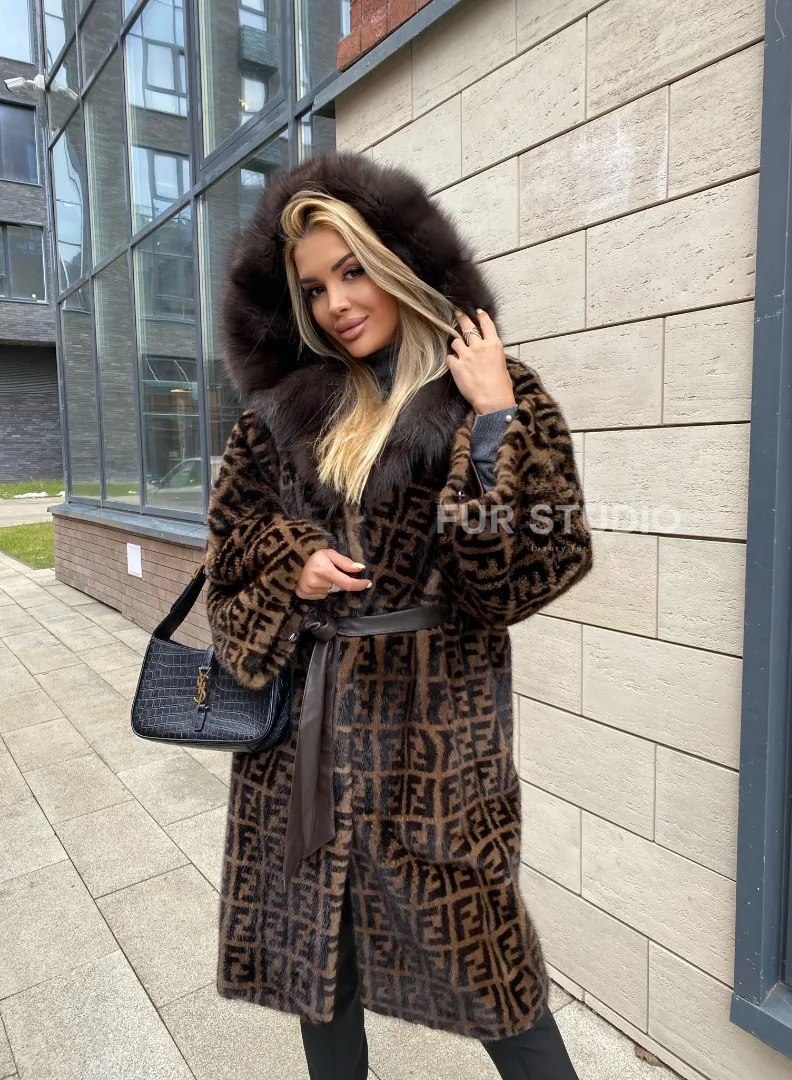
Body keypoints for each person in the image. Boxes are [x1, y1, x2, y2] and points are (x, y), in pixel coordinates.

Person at [203, 150, 593, 1079]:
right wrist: (290, 565)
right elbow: (228, 551)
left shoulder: (492, 390)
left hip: (434, 744)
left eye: (352, 270)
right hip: (301, 744)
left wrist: (494, 426)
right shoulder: (277, 416)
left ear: (398, 264)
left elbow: (526, 573)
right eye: (313, 287)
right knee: (319, 970)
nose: (335, 303)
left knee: (497, 978)